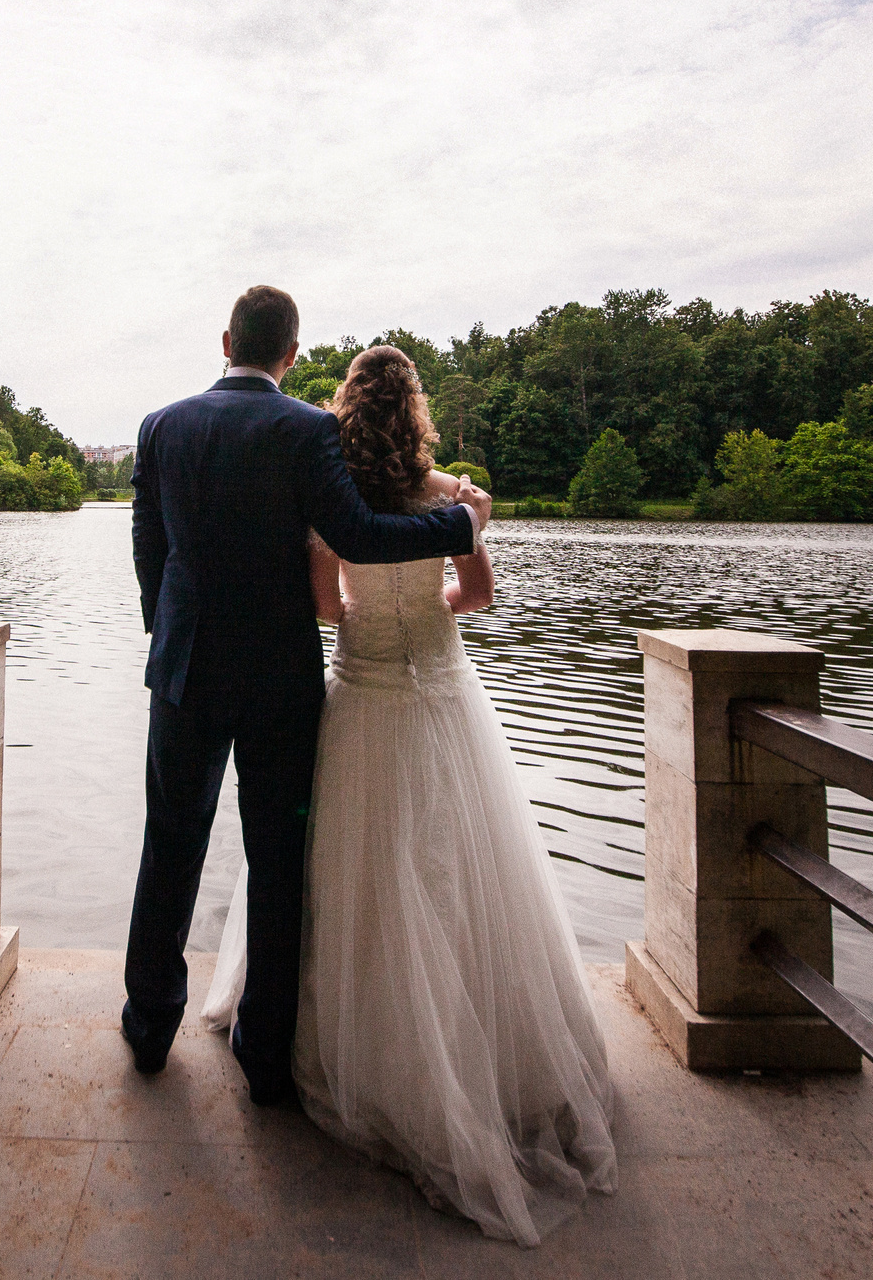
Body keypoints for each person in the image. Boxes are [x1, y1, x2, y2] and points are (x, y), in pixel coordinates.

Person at [201, 345, 617, 1245]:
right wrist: (429, 612)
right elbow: (480, 594)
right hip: (440, 693)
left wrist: (368, 621)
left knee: (356, 869)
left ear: (346, 407)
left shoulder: (331, 499)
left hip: (363, 696)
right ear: (417, 411)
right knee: (457, 869)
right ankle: (485, 1064)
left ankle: (357, 1052)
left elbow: (325, 612)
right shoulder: (453, 500)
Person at [125, 287, 489, 1108]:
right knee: (278, 862)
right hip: (279, 683)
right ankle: (265, 1058)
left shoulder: (162, 426)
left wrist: (170, 631)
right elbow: (359, 534)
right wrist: (459, 528)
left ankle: (149, 1026)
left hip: (183, 674)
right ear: (291, 352)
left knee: (169, 847)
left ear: (226, 340)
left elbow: (151, 551)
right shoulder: (306, 429)